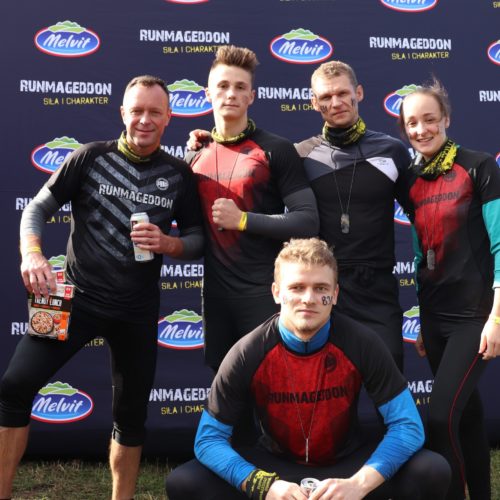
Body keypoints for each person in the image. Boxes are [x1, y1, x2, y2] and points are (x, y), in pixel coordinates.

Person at [0, 75, 203, 500]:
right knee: (13, 388)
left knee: (131, 416)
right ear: (123, 113)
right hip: (70, 296)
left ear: (169, 117)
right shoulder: (89, 156)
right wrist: (33, 254)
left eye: (154, 112)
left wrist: (169, 244)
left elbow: (198, 239)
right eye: (137, 111)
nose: (144, 120)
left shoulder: (179, 174)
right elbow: (36, 209)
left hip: (136, 310)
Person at [165, 238, 451, 500]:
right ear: (277, 292)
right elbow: (208, 440)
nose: (309, 299)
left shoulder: (362, 342)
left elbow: (407, 426)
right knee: (184, 482)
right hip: (277, 470)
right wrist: (263, 486)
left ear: (335, 294)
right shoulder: (247, 352)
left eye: (321, 288)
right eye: (297, 288)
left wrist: (359, 484)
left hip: (346, 468)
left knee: (432, 469)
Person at [189, 60, 410, 371]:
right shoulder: (301, 153)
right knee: (324, 388)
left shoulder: (392, 151)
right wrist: (208, 142)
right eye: (326, 97)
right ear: (314, 103)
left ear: (358, 93)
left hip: (377, 291)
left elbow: (422, 215)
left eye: (343, 94)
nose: (336, 102)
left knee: (388, 383)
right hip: (320, 288)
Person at [187, 45, 319, 372]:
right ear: (208, 94)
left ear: (252, 96)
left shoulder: (276, 149)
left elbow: (307, 221)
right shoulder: (195, 154)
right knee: (225, 389)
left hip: (264, 295)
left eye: (240, 87)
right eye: (222, 86)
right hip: (216, 299)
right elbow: (191, 232)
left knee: (271, 387)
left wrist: (243, 220)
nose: (231, 94)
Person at [399, 79, 500, 500]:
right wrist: (424, 320)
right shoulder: (410, 181)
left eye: (429, 119)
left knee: (440, 419)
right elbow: (421, 254)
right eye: (412, 123)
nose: (421, 129)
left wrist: (497, 317)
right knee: (468, 414)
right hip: (435, 318)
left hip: (475, 317)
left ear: (446, 119)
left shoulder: (479, 167)